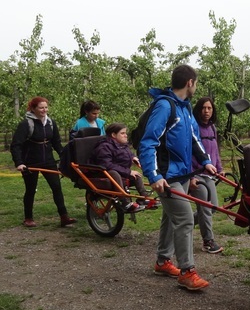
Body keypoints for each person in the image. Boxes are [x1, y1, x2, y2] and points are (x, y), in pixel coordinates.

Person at [138, 64, 216, 291]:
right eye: (196, 83)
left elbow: (193, 137)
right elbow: (148, 141)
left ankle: (162, 261)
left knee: (170, 217)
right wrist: (153, 175)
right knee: (185, 219)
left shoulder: (185, 106)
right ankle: (187, 271)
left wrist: (206, 162)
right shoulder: (165, 106)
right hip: (167, 176)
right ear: (190, 82)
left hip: (181, 173)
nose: (196, 87)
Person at [10, 97, 77, 228]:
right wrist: (19, 162)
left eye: (46, 107)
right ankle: (28, 218)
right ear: (33, 108)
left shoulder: (51, 122)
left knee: (56, 187)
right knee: (30, 189)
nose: (44, 110)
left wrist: (65, 157)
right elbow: (16, 145)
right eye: (41, 107)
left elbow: (57, 143)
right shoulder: (26, 124)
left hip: (48, 161)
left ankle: (64, 217)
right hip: (30, 162)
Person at [190, 96, 224, 254]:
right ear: (198, 109)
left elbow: (215, 149)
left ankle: (185, 220)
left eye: (209, 108)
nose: (206, 111)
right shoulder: (193, 127)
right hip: (196, 173)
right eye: (203, 108)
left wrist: (219, 167)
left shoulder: (212, 128)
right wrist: (190, 176)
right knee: (205, 207)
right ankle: (208, 241)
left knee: (213, 207)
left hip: (209, 173)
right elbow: (188, 151)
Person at [91, 123, 151, 213]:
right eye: (122, 133)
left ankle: (144, 198)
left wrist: (132, 157)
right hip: (103, 173)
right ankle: (125, 202)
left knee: (136, 175)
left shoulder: (121, 145)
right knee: (115, 173)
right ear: (113, 135)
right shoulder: (104, 147)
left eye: (125, 133)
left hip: (118, 171)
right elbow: (107, 165)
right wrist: (128, 172)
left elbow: (126, 153)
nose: (126, 135)